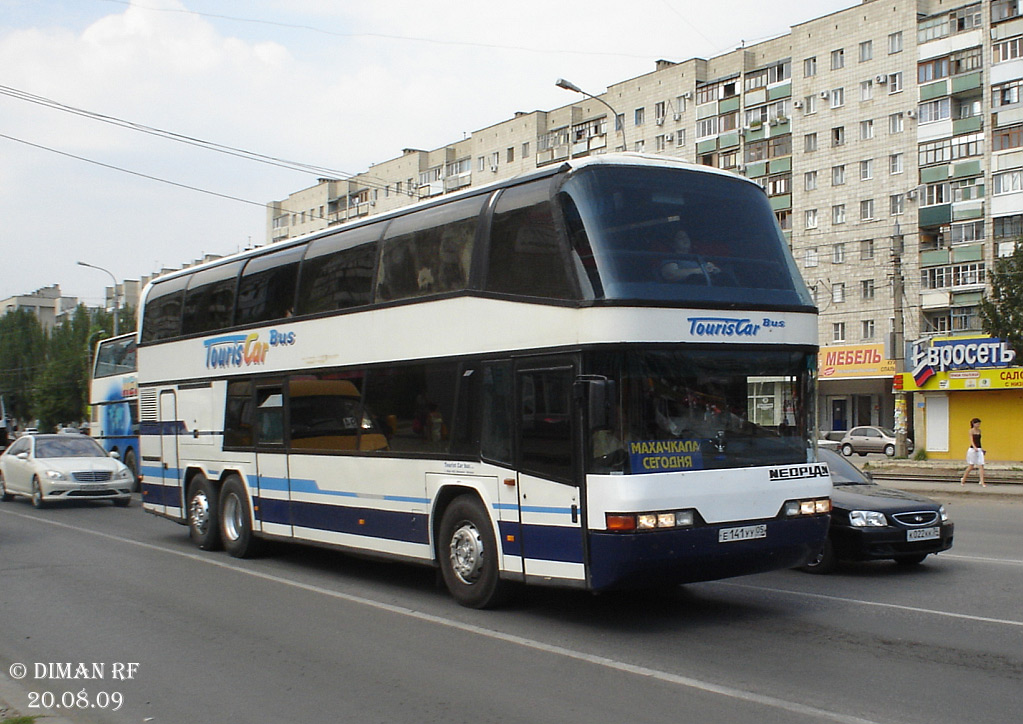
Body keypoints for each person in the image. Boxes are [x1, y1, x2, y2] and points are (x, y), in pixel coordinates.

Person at [960, 417, 986, 487]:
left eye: (979, 424)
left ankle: (982, 482)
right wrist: (974, 447)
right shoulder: (971, 431)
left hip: (979, 448)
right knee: (971, 466)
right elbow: (971, 440)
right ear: (973, 424)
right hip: (972, 449)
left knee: (981, 465)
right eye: (977, 424)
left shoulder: (979, 431)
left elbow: (979, 441)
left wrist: (981, 449)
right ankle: (963, 479)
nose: (978, 425)